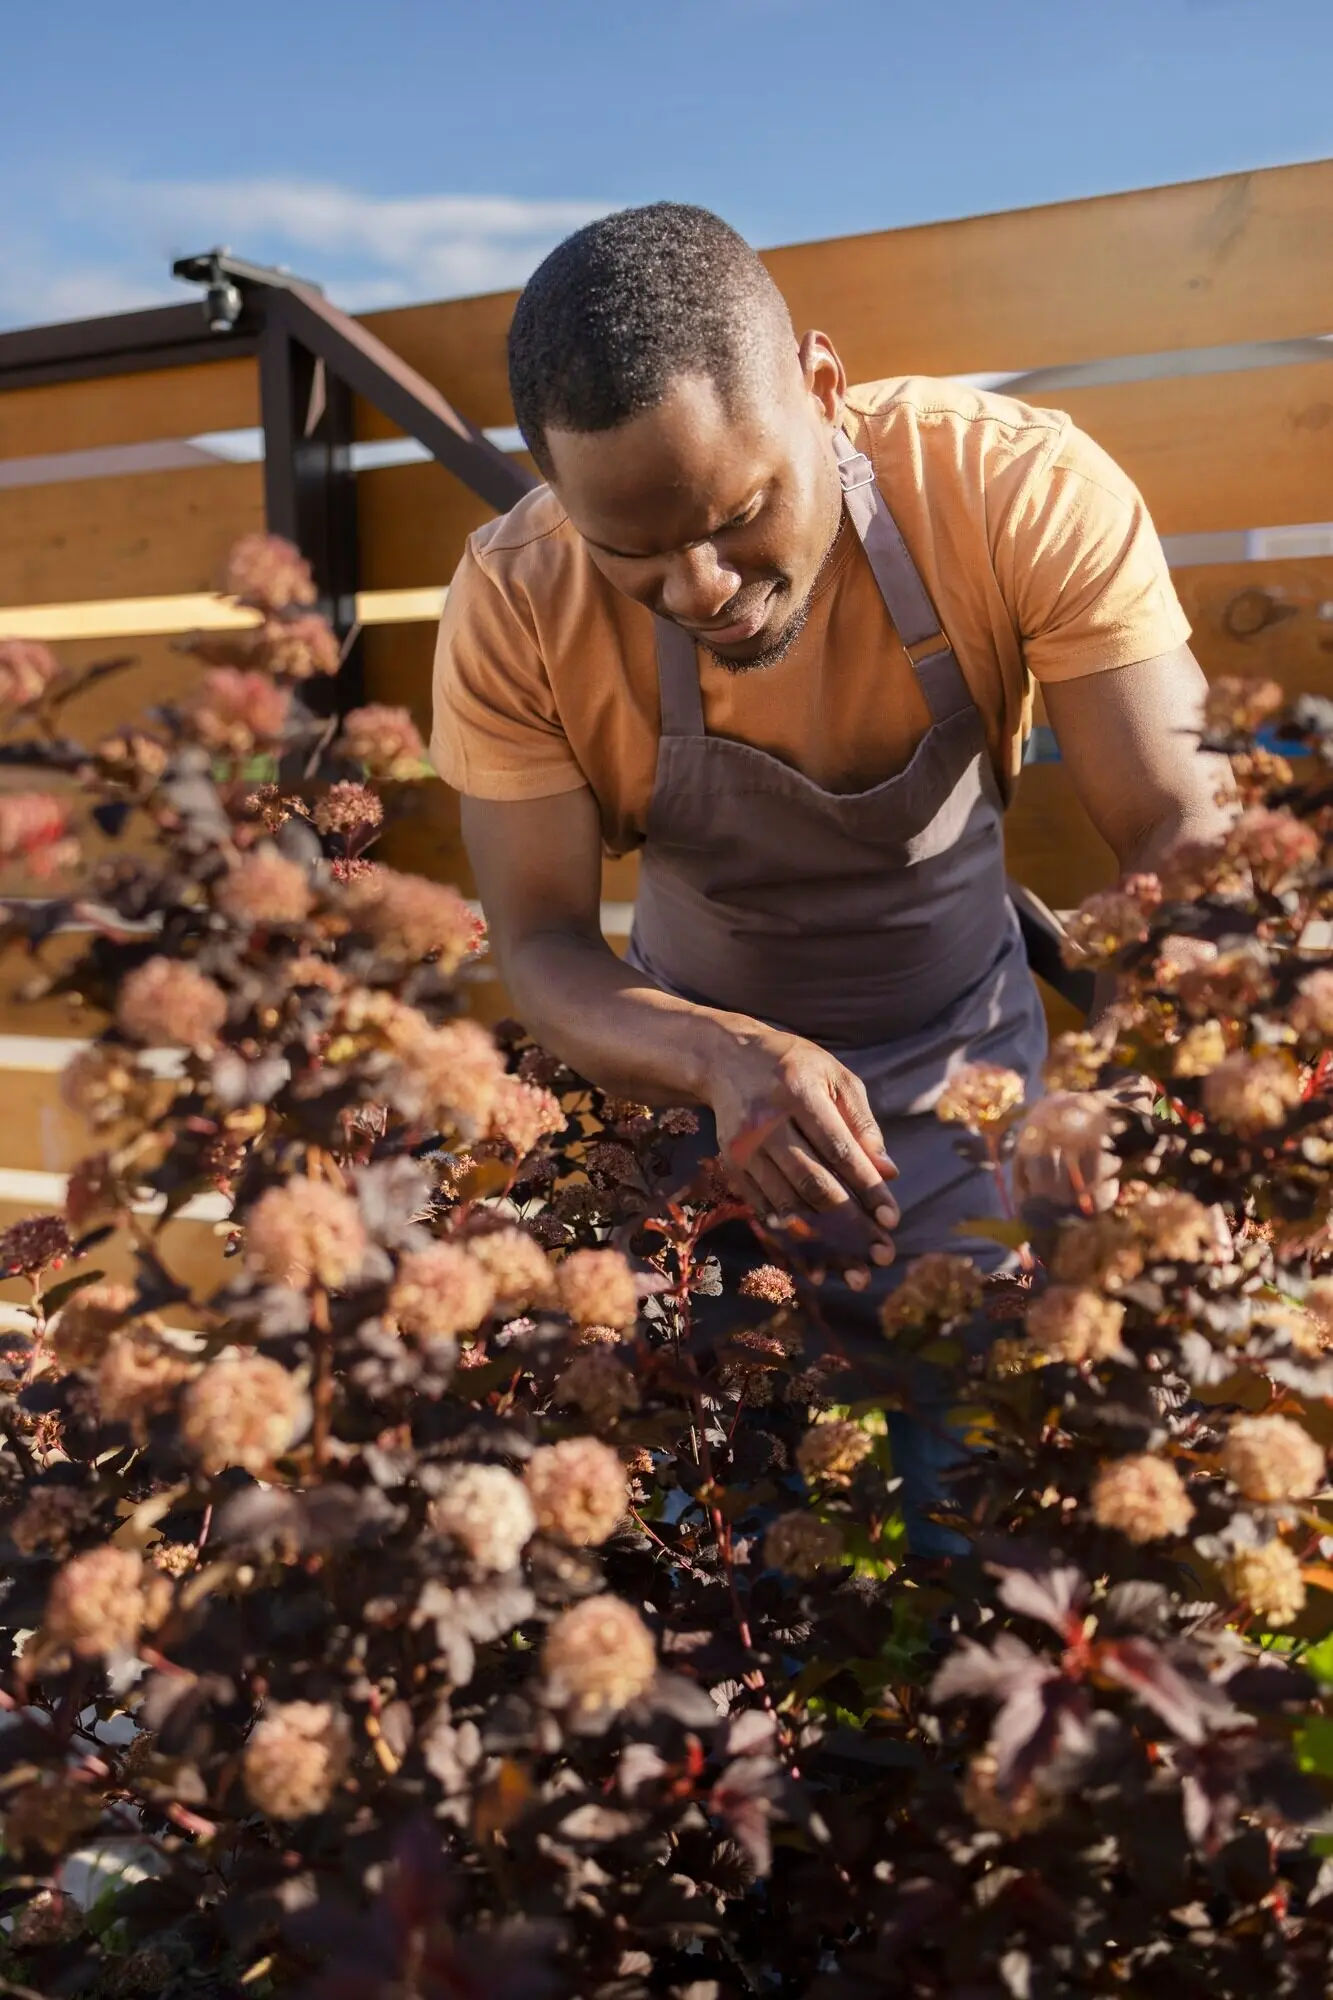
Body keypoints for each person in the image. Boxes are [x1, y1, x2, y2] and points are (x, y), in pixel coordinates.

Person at [430, 203, 1232, 1551]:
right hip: (703, 1135)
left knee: (988, 1554)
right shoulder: (516, 601)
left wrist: (1158, 1092)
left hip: (976, 1106)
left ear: (820, 386)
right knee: (727, 1576)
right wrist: (723, 1059)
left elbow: (1181, 834)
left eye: (743, 516)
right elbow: (545, 946)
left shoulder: (1008, 487)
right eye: (636, 549)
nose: (700, 588)